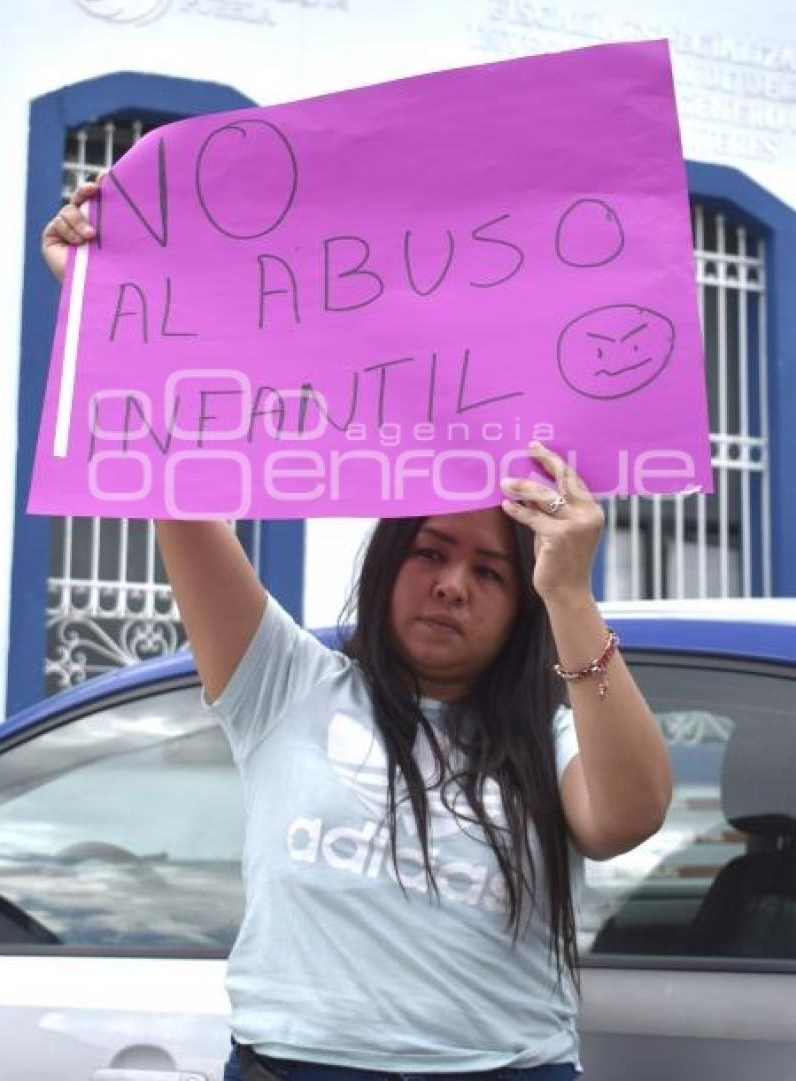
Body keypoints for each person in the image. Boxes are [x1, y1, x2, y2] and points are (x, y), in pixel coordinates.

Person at [42, 184, 673, 1081]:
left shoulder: (557, 722)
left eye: (491, 570)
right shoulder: (284, 685)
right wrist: (102, 307)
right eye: (430, 551)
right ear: (386, 564)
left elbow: (627, 816)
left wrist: (569, 587)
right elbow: (171, 485)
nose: (453, 584)